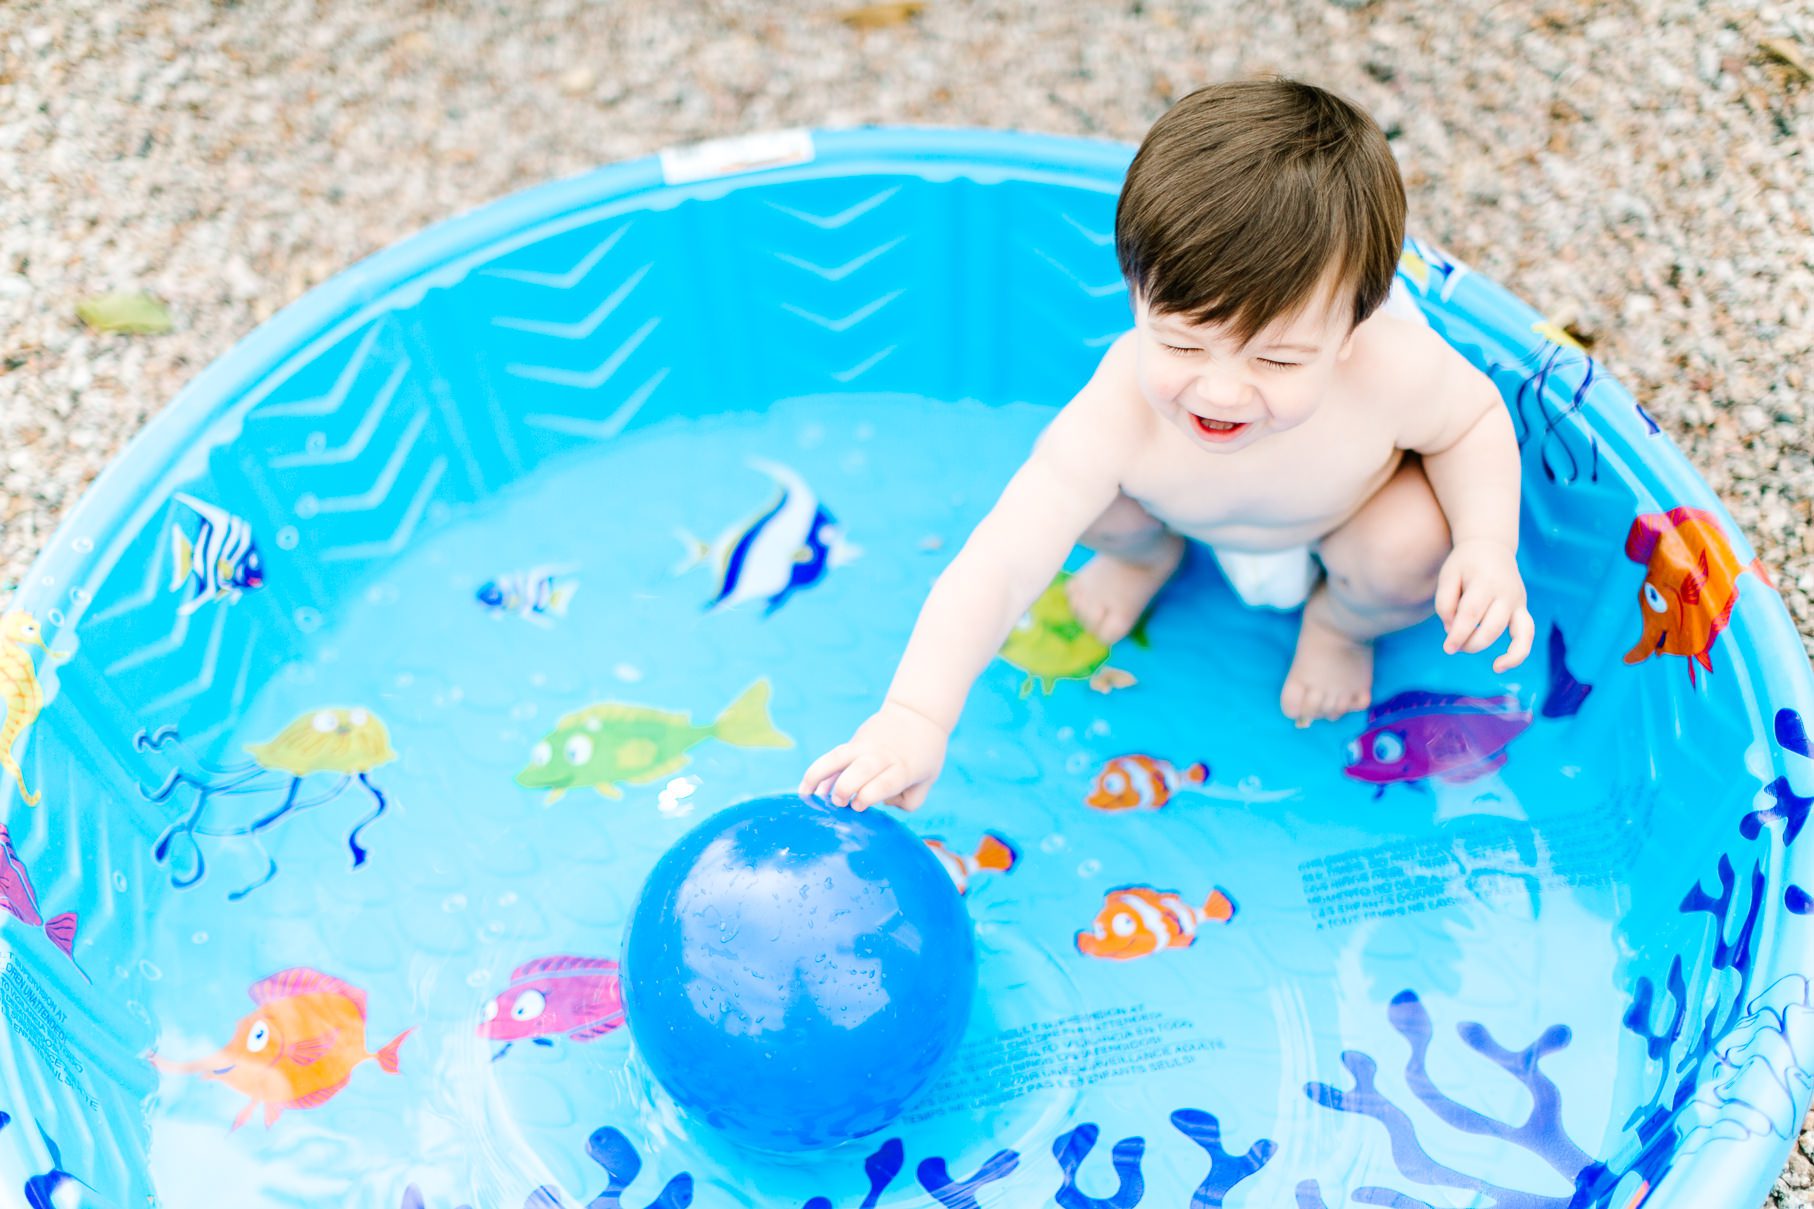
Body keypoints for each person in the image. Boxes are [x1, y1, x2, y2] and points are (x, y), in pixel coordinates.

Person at [801, 77, 1533, 812]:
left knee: (1412, 548)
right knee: (1073, 488)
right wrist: (914, 715)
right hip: (1178, 508)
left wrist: (1486, 542)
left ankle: (1340, 626)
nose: (1219, 391)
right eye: (1182, 345)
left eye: (1275, 361)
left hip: (1348, 513)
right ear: (1136, 300)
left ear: (1352, 330)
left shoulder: (1394, 371)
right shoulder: (1121, 410)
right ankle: (1143, 555)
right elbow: (1000, 560)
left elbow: (1473, 422)